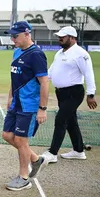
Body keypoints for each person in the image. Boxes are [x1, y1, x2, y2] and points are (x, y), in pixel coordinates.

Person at [2, 21, 49, 191]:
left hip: (29, 106)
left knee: (21, 140)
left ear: (27, 34)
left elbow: (44, 82)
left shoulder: (36, 55)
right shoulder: (16, 51)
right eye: (11, 36)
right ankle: (36, 159)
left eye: (15, 36)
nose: (13, 39)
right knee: (7, 135)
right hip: (16, 103)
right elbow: (14, 78)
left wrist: (42, 109)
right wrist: (9, 97)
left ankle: (24, 178)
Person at [41, 26, 97, 163]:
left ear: (72, 38)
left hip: (74, 92)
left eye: (63, 36)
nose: (59, 38)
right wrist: (41, 81)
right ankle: (78, 151)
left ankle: (52, 153)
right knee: (71, 122)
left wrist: (91, 94)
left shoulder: (80, 54)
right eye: (59, 36)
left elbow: (89, 73)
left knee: (60, 119)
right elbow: (52, 71)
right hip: (61, 93)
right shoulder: (59, 53)